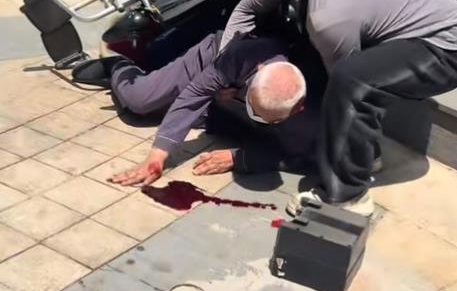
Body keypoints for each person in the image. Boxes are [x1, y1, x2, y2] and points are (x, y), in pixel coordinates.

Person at [224, 0, 457, 217]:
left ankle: (349, 196)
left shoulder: (328, 13)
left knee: (352, 82)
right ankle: (366, 155)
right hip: (405, 32)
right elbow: (247, 9)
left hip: (448, 49)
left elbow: (345, 89)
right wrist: (225, 67)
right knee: (315, 59)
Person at [105, 34, 310, 187]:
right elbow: (196, 94)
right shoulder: (246, 55)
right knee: (139, 100)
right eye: (252, 106)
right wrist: (157, 157)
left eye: (264, 118)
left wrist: (239, 158)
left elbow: (301, 154)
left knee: (174, 114)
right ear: (259, 70)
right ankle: (119, 64)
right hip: (212, 60)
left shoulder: (308, 103)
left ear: (298, 108)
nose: (255, 116)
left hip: (224, 111)